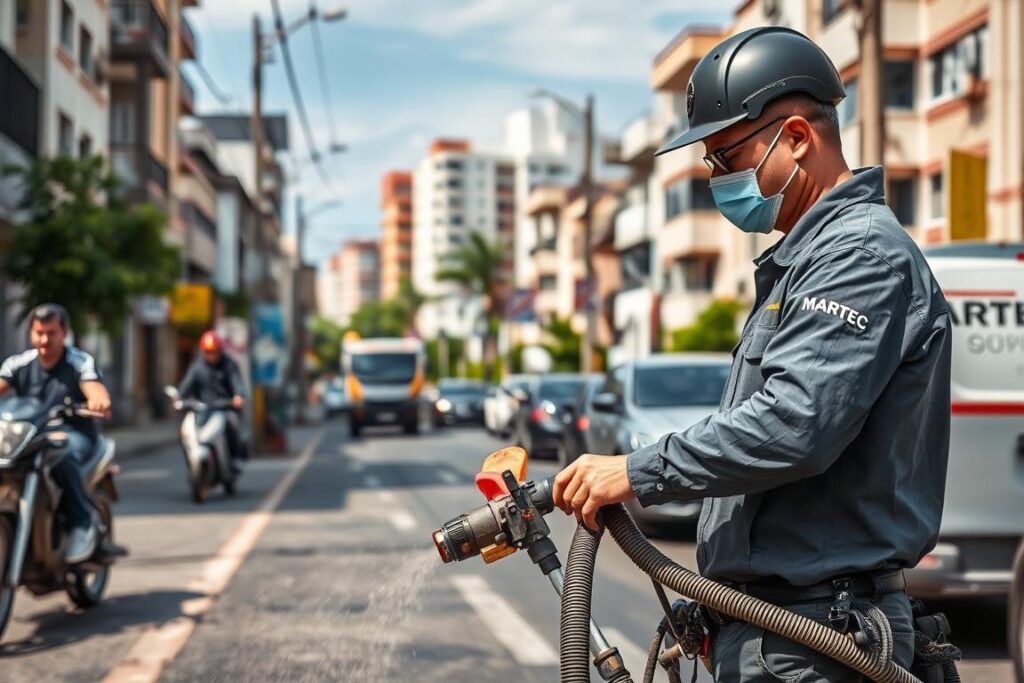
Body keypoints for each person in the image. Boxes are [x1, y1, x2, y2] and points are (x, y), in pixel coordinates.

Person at [552, 26, 951, 682]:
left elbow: (796, 425)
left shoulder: (857, 257)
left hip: (816, 633)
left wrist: (638, 469)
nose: (715, 178)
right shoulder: (805, 262)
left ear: (796, 137)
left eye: (725, 157)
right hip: (776, 626)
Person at [0, 304, 111, 563]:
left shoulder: (79, 362)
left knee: (62, 454)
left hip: (72, 433)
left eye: (51, 333)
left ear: (64, 333)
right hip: (28, 436)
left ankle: (80, 525)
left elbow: (95, 389)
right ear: (31, 334)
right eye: (39, 333)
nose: (44, 339)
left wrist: (98, 400)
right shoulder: (19, 363)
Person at [177, 331, 247, 470]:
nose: (211, 355)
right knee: (184, 432)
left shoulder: (229, 365)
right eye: (208, 352)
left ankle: (234, 459)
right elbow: (186, 385)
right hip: (202, 409)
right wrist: (179, 398)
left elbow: (237, 382)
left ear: (220, 350)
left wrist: (238, 396)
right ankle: (191, 463)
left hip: (224, 407)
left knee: (231, 424)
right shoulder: (197, 367)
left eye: (214, 351)